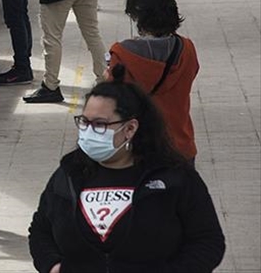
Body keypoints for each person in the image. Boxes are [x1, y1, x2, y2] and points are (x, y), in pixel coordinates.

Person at [28, 66, 225, 273]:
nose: (88, 131)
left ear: (130, 128)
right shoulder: (69, 173)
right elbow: (41, 230)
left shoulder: (174, 177)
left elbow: (207, 241)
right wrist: (53, 266)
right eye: (84, 122)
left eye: (100, 124)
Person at [107, 0, 199, 163]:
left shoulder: (122, 54)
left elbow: (112, 99)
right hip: (181, 147)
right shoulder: (187, 49)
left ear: (136, 14)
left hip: (140, 151)